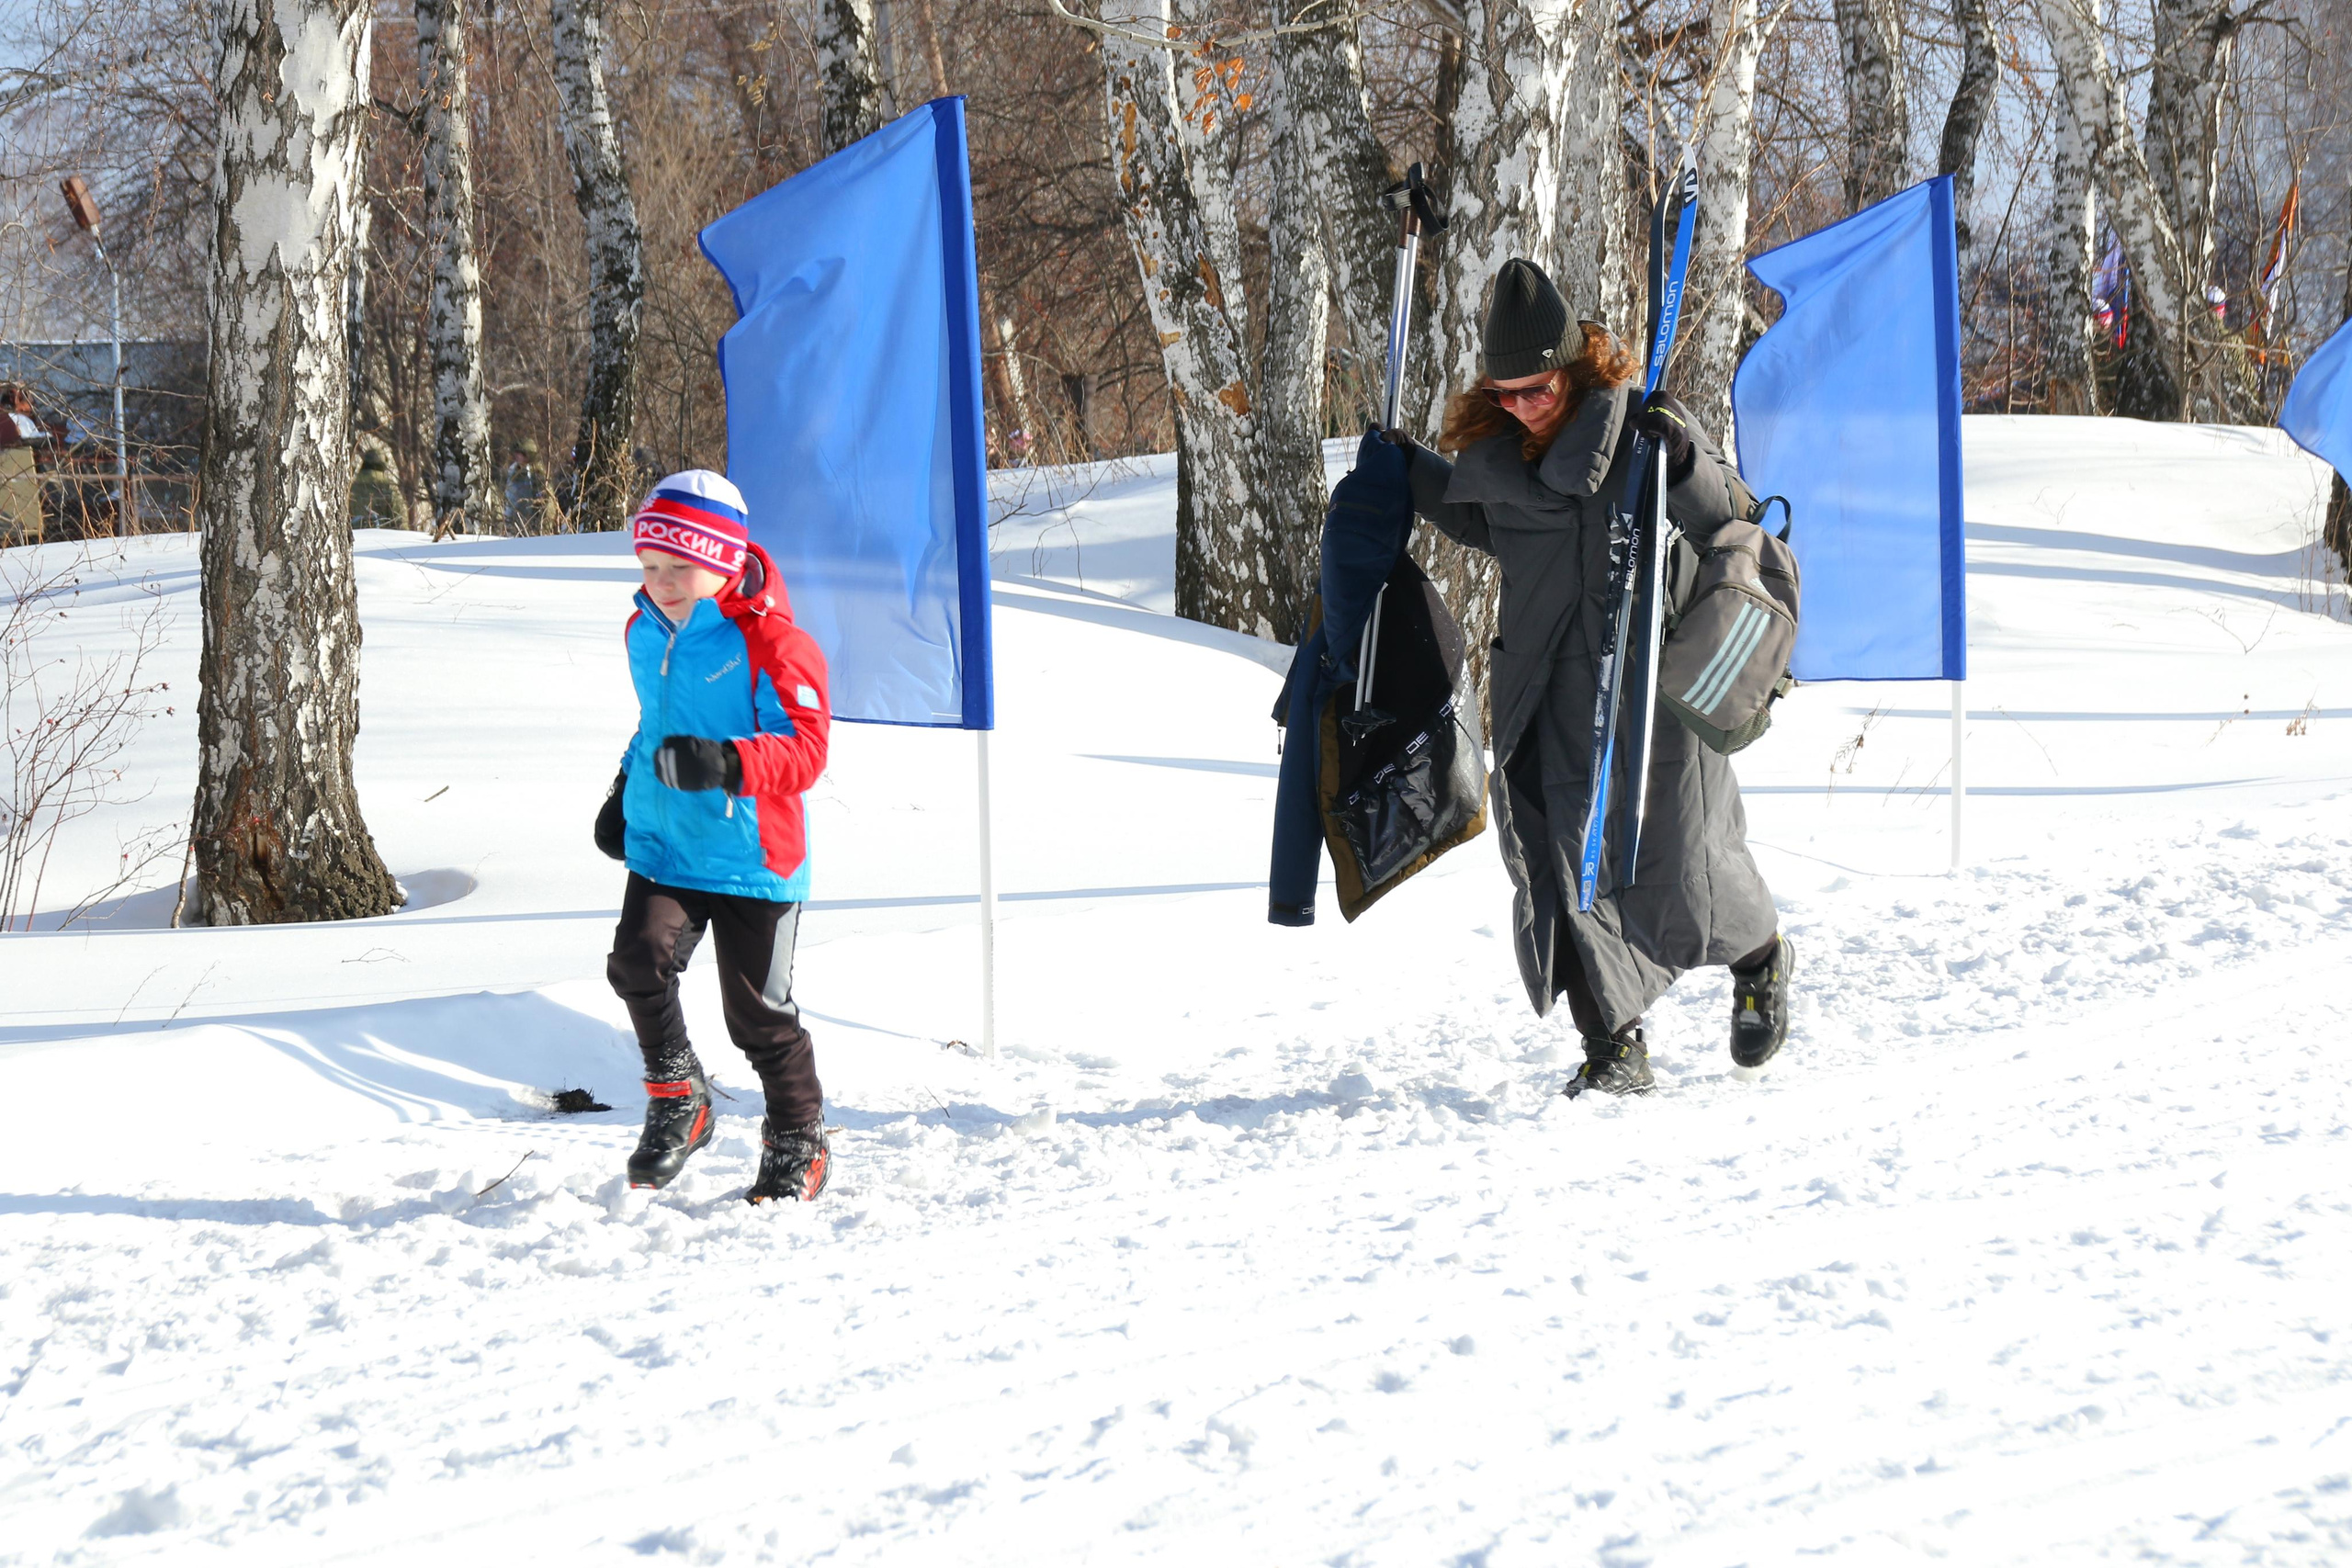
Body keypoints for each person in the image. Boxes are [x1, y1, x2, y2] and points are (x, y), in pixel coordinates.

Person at [1385, 258, 1793, 1097]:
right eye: (1506, 395)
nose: (1523, 408)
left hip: (1649, 695)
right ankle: (1614, 1044)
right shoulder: (1502, 460)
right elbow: (1469, 514)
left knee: (1689, 862)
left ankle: (1759, 958)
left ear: (1572, 369)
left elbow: (1733, 514)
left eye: (1537, 389)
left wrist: (1682, 460)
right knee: (1564, 871)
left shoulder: (1640, 430)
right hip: (1547, 695)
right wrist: (1407, 468)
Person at [594, 469, 835, 1200]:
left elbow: (806, 749)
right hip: (668, 846)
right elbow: (654, 724)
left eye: (679, 567)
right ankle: (678, 1098)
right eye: (649, 566)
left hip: (754, 858)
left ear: (725, 561)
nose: (661, 582)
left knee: (757, 1018)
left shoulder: (776, 644)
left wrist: (727, 762)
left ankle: (798, 1137)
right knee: (636, 961)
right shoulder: (644, 630)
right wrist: (622, 791)